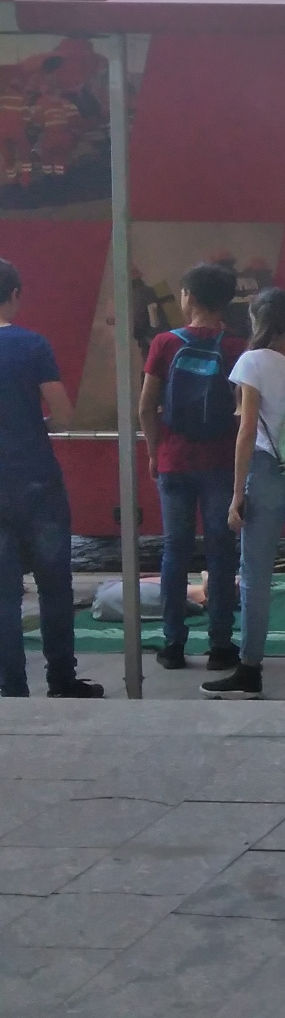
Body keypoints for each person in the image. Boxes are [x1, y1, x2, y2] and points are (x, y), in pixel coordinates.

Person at [205, 288, 285, 700]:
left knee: (256, 574)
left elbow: (247, 430)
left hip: (268, 470)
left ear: (260, 319)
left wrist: (236, 493)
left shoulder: (254, 361)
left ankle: (250, 670)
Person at [0, 259, 100, 699]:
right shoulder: (32, 345)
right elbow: (63, 414)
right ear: (15, 294)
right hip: (36, 479)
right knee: (54, 584)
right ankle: (61, 678)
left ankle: (11, 686)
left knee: (3, 593)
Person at [139, 260, 244, 672]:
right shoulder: (236, 347)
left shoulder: (165, 343)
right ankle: (221, 645)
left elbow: (146, 406)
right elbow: (243, 412)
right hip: (220, 462)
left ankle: (173, 644)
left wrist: (154, 451)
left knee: (175, 551)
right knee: (221, 551)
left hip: (174, 461)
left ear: (189, 297)